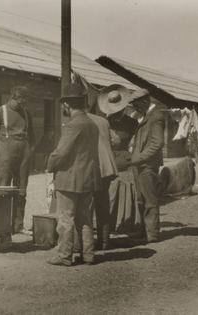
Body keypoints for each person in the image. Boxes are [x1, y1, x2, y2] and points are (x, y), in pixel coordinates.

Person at [46, 83, 101, 266]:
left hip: (70, 179)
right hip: (88, 179)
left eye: (64, 106)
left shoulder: (72, 125)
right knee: (84, 219)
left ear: (67, 105)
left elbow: (61, 153)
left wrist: (50, 165)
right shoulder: (91, 123)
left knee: (65, 219)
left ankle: (64, 256)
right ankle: (89, 255)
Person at [0, 86, 36, 236]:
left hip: (23, 151)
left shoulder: (26, 113)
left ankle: (18, 225)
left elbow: (32, 134)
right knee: (2, 189)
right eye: (20, 103)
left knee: (21, 190)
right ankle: (0, 225)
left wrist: (30, 149)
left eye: (24, 103)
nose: (22, 106)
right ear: (12, 98)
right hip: (6, 150)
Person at [127, 89, 168, 244]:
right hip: (140, 164)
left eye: (137, 105)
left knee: (149, 200)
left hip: (147, 165)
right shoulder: (145, 115)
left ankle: (153, 234)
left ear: (145, 101)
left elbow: (158, 143)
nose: (135, 108)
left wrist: (141, 157)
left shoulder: (156, 116)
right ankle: (143, 231)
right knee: (140, 199)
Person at [99, 85, 141, 235]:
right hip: (106, 161)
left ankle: (122, 222)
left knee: (123, 191)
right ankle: (105, 224)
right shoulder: (103, 122)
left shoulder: (132, 124)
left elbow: (135, 144)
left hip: (123, 161)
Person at [84, 104, 119, 250]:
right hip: (106, 168)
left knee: (85, 207)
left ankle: (85, 245)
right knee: (103, 205)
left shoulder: (79, 121)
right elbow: (116, 141)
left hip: (90, 169)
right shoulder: (103, 120)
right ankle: (104, 242)